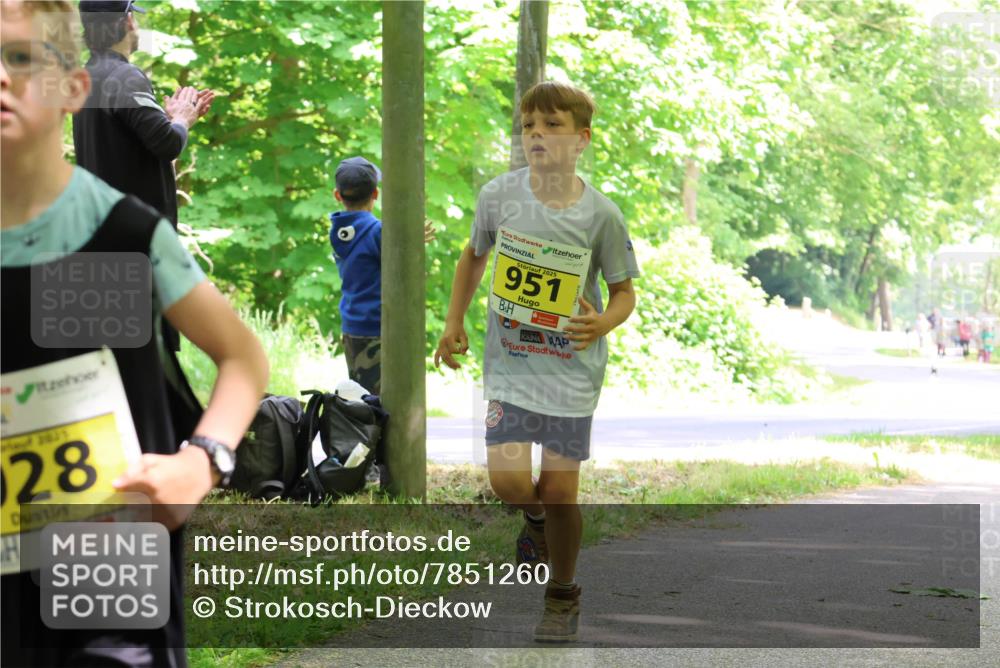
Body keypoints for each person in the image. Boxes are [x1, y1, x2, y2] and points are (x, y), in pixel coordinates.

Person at [1, 2, 268, 664]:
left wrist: (200, 461)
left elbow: (241, 357)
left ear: (73, 88)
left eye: (21, 58)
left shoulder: (118, 237)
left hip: (102, 549)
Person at [434, 81, 640, 642]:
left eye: (551, 125)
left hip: (571, 375)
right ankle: (534, 521)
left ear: (581, 140)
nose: (537, 136)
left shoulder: (602, 215)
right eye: (528, 126)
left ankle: (562, 594)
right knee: (508, 482)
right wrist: (453, 323)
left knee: (560, 489)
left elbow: (624, 292)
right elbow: (473, 258)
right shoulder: (498, 197)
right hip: (510, 369)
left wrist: (603, 322)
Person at [73, 0, 214, 228]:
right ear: (128, 21)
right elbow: (168, 144)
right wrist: (181, 120)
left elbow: (125, 145)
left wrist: (170, 122)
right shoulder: (124, 76)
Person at [328, 156, 434, 396]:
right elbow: (401, 259)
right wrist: (413, 240)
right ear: (375, 194)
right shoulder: (379, 231)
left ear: (337, 195)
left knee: (361, 399)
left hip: (352, 327)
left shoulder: (338, 232)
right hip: (379, 329)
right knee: (383, 404)